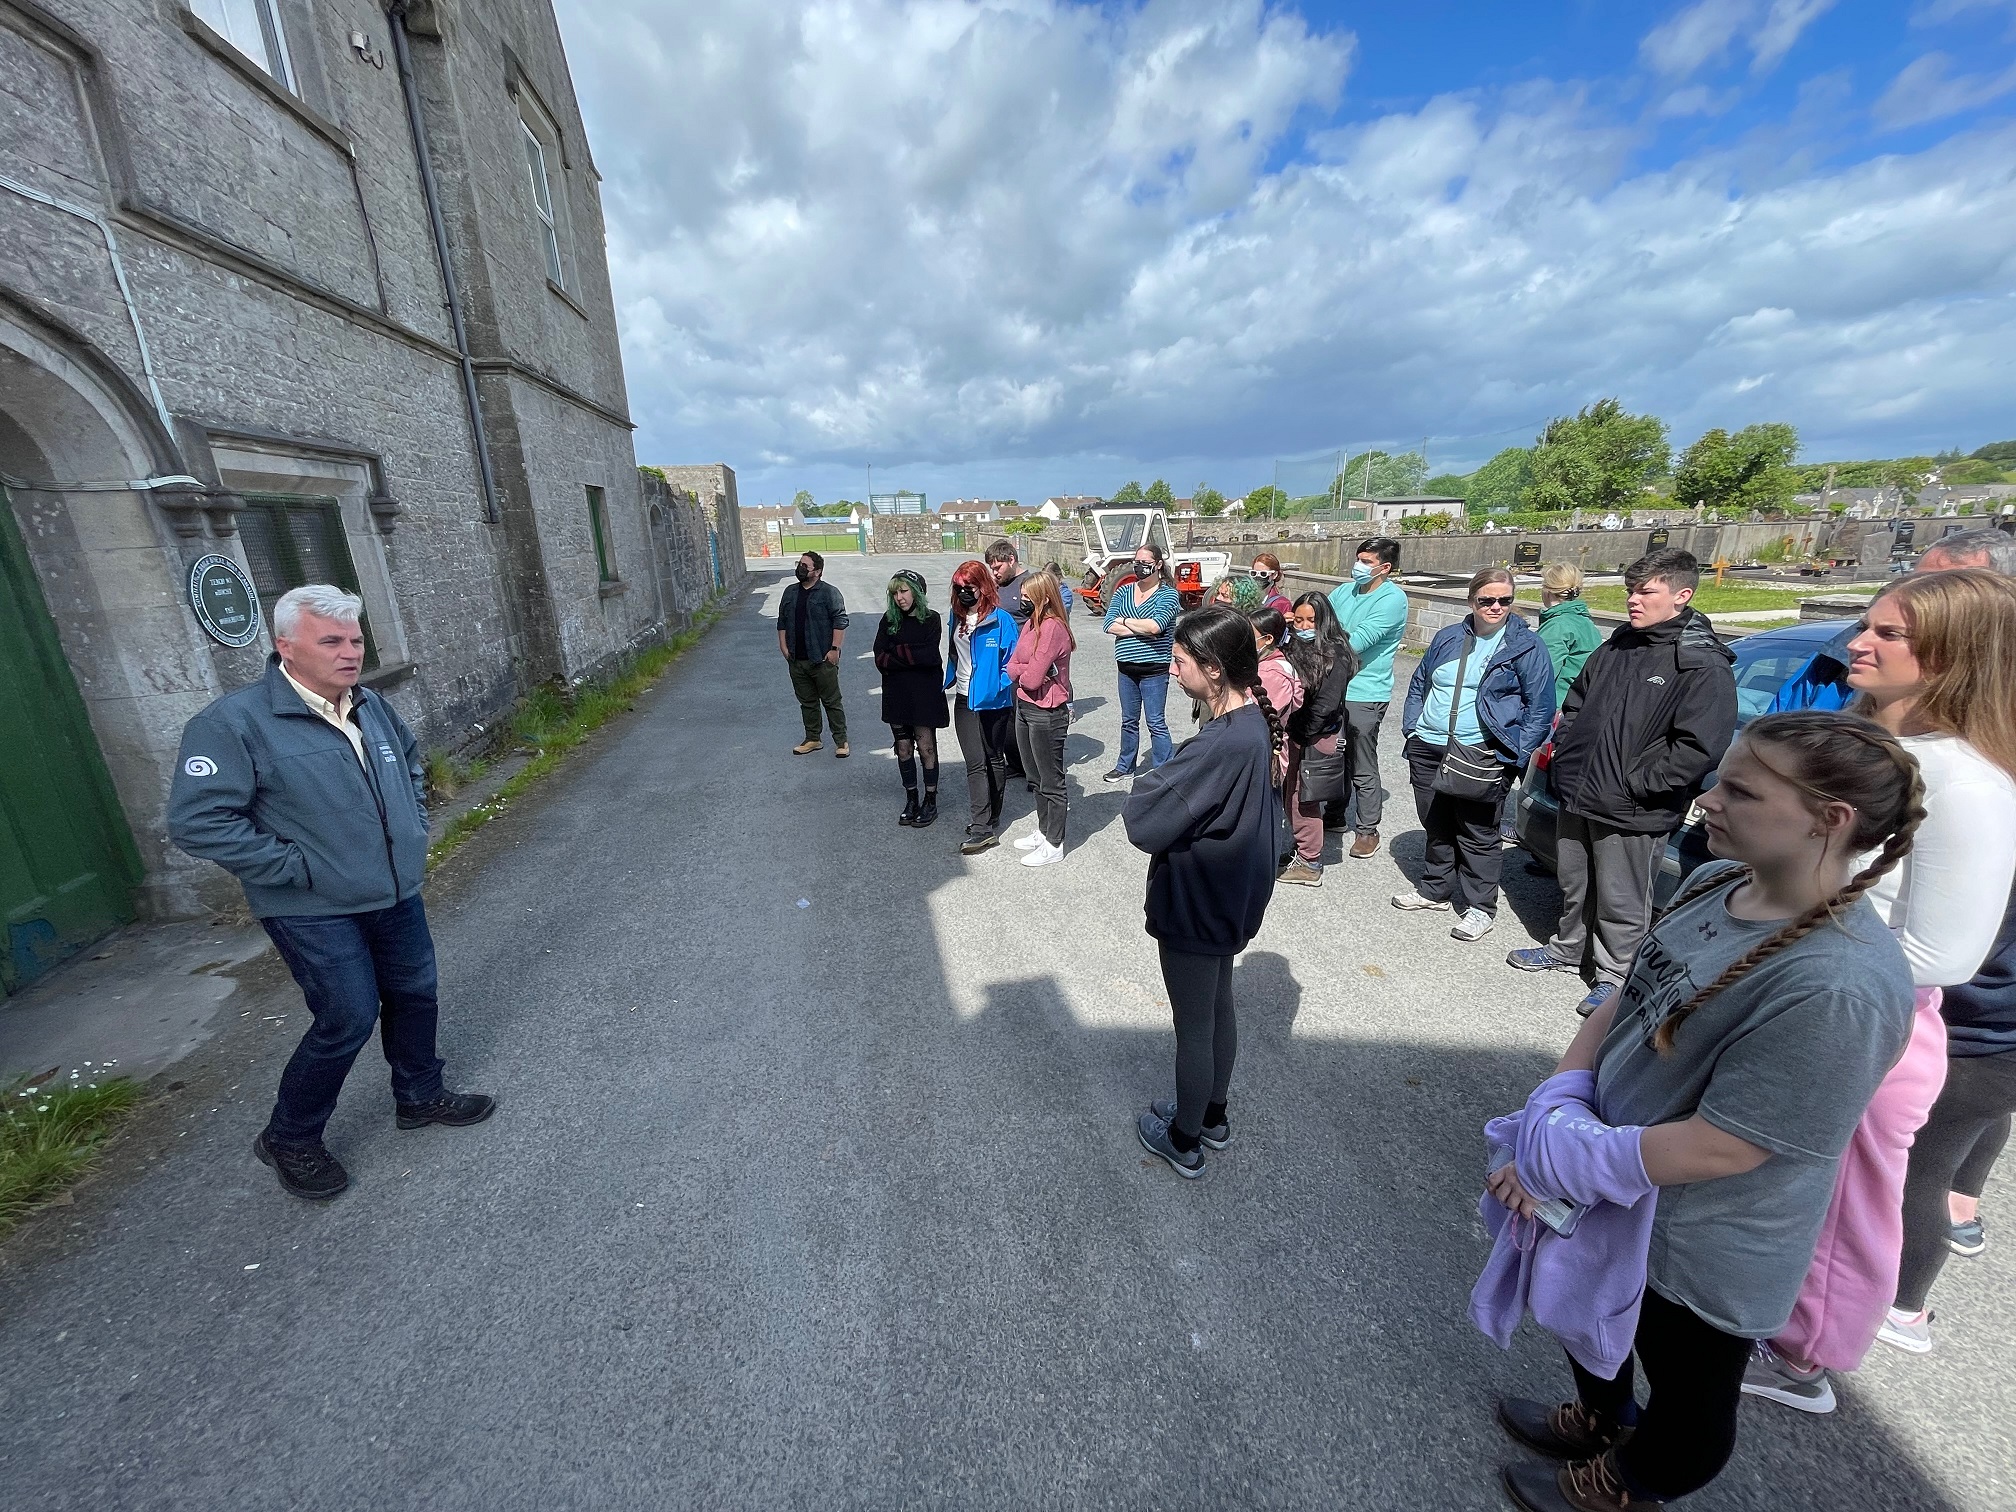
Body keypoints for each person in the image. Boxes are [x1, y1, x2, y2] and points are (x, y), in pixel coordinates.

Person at [1490, 711, 1919, 1512]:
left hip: (1702, 1242)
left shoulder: (1840, 986)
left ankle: (1633, 1480)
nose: (1707, 800)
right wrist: (1552, 1110)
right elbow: (1625, 998)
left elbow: (1727, 1148)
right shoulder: (1718, 880)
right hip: (1610, 1185)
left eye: (1741, 791)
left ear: (1831, 821)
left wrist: (1560, 1163)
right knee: (1590, 1319)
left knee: (1688, 1395)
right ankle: (1602, 1417)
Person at [1760, 570, 2016, 1390]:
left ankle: (1806, 1359)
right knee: (1786, 1182)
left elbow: (1943, 954)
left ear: (1955, 655)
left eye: (1889, 634)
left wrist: (1797, 949)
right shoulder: (1873, 742)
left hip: (1876, 1021)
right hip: (1807, 995)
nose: (1858, 644)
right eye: (1867, 625)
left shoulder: (1970, 784)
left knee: (1846, 1203)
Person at [167, 586, 495, 1201]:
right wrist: (297, 866)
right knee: (346, 1015)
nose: (350, 653)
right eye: (332, 641)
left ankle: (419, 1095)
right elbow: (198, 821)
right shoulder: (232, 724)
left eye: (356, 640)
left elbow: (411, 763)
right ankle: (290, 1136)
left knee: (414, 993)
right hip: (309, 905)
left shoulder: (370, 707)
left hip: (393, 888)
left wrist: (412, 826)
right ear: (285, 646)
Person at [1507, 549, 1737, 1017]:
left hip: (1634, 807)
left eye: (1646, 592)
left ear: (1681, 595)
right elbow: (1574, 706)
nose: (1633, 600)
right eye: (1631, 591)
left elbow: (1699, 748)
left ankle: (1614, 976)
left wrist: (1637, 784)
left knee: (1623, 898)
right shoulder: (1617, 646)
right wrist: (1569, 759)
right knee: (1574, 882)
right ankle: (1568, 949)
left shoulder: (1700, 663)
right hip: (1579, 792)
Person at [1123, 606, 1288, 1178]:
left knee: (1194, 1024)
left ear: (1214, 670)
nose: (1172, 668)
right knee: (1218, 1009)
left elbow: (1144, 819)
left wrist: (1150, 783)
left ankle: (1185, 1137)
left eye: (1182, 660)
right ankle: (1212, 1114)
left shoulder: (1220, 743)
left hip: (1198, 899)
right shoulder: (1253, 724)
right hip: (1232, 895)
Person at [1396, 570, 1555, 942]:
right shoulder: (1448, 637)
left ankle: (1480, 906)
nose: (1496, 607)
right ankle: (1436, 889)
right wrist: (1413, 726)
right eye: (1487, 600)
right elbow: (1419, 683)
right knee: (1435, 821)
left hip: (1481, 752)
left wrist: (1513, 756)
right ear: (1472, 601)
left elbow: (1540, 707)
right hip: (1429, 745)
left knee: (1478, 832)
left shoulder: (1527, 646)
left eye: (1504, 600)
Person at [1769, 526, 2016, 715]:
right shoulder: (1836, 659)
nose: (1918, 594)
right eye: (1918, 581)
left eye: (1947, 586)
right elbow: (1774, 731)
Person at [1325, 536, 1409, 858]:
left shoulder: (1392, 599)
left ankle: (1367, 829)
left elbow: (1357, 642)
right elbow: (1319, 619)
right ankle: (1334, 814)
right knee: (1333, 753)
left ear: (1384, 568)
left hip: (1365, 691)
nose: (1358, 566)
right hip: (1334, 687)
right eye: (1358, 559)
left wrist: (1325, 638)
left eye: (1367, 562)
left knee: (1361, 759)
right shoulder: (1343, 592)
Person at [1277, 594, 1357, 887]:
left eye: (1311, 620)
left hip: (1315, 735)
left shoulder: (1336, 653)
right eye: (1298, 620)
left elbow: (1325, 704)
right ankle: (1302, 851)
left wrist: (1299, 733)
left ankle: (1310, 862)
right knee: (1292, 795)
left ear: (1325, 621)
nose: (1304, 626)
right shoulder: (1298, 644)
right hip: (1302, 732)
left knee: (1304, 798)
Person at [944, 559, 1021, 855]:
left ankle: (991, 816)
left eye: (969, 587)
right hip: (964, 700)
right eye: (958, 587)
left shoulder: (1001, 620)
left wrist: (995, 685)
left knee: (993, 758)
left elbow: (1012, 664)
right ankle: (981, 828)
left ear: (983, 587)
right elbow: (954, 652)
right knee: (975, 763)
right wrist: (950, 678)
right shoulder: (957, 617)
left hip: (993, 701)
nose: (963, 592)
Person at [1004, 570, 1075, 866]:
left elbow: (1032, 679)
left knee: (1052, 780)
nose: (1020, 599)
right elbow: (1012, 666)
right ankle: (1044, 830)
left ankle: (1054, 843)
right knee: (1033, 776)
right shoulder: (1031, 623)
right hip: (1024, 707)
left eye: (1026, 596)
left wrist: (1028, 669)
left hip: (1047, 712)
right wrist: (1026, 668)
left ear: (1043, 597)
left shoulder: (1053, 627)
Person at [872, 570, 948, 828]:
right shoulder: (888, 620)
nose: (899, 597)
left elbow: (929, 656)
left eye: (904, 591)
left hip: (924, 694)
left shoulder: (932, 620)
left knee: (926, 747)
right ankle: (911, 798)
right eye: (895, 592)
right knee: (903, 748)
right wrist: (908, 657)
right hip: (897, 693)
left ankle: (930, 799)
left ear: (916, 592)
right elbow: (880, 658)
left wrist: (897, 653)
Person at [1101, 542, 1181, 780]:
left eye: (1145, 563)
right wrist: (1139, 626)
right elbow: (1108, 624)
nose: (1139, 567)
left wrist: (1124, 621)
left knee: (1155, 721)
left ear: (1157, 565)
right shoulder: (1124, 591)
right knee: (1128, 721)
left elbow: (1157, 626)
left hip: (1154, 669)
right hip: (1125, 668)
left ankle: (1163, 769)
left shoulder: (1168, 594)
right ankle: (1125, 766)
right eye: (1137, 562)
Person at [777, 550, 850, 758]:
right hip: (797, 660)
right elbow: (782, 621)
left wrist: (834, 650)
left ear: (817, 571)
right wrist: (783, 646)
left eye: (804, 565)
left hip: (822, 659)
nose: (800, 568)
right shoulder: (790, 592)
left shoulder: (829, 593)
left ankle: (841, 741)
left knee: (832, 702)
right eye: (799, 563)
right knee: (807, 702)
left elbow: (840, 620)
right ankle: (813, 739)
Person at [986, 540, 1033, 782]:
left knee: (1024, 717)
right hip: (999, 663)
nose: (994, 572)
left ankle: (1032, 770)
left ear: (1012, 560)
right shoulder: (995, 586)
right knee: (1004, 716)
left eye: (998, 567)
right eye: (991, 568)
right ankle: (1015, 763)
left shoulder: (1029, 584)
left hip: (1024, 662)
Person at [1536, 563, 1602, 712]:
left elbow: (1541, 674)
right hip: (1579, 703)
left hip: (1556, 707)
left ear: (1547, 591)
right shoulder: (1587, 623)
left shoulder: (1557, 626)